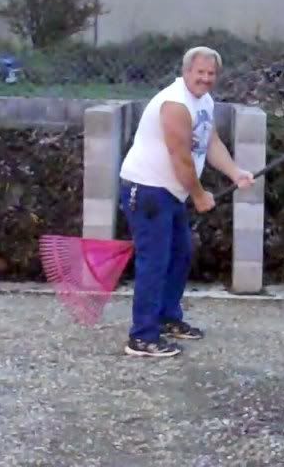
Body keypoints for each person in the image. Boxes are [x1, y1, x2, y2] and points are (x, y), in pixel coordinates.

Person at [117, 46, 255, 357]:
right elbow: (180, 158)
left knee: (179, 255)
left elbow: (210, 141)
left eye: (211, 74)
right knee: (154, 262)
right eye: (200, 72)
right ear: (185, 72)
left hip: (170, 191)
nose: (205, 79)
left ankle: (166, 318)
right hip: (148, 189)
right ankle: (141, 337)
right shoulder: (175, 104)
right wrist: (199, 195)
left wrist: (235, 172)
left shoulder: (203, 101)